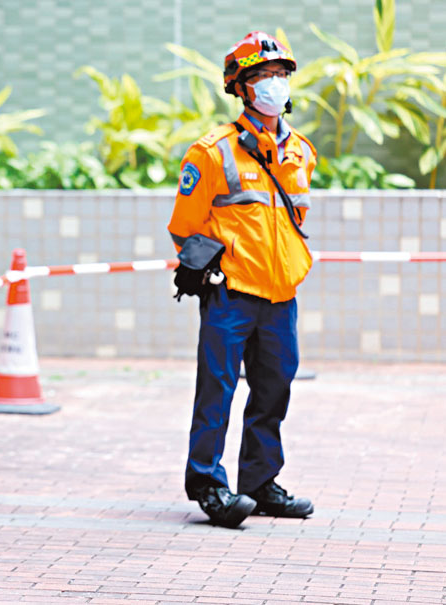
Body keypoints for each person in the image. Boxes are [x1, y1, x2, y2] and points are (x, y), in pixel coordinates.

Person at [167, 31, 316, 529]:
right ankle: (208, 485)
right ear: (241, 86)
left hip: (281, 295)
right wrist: (206, 270)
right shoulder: (211, 152)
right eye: (262, 75)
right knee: (217, 390)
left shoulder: (301, 153)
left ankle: (260, 482)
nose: (274, 83)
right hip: (230, 293)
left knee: (274, 390)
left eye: (280, 74)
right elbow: (184, 227)